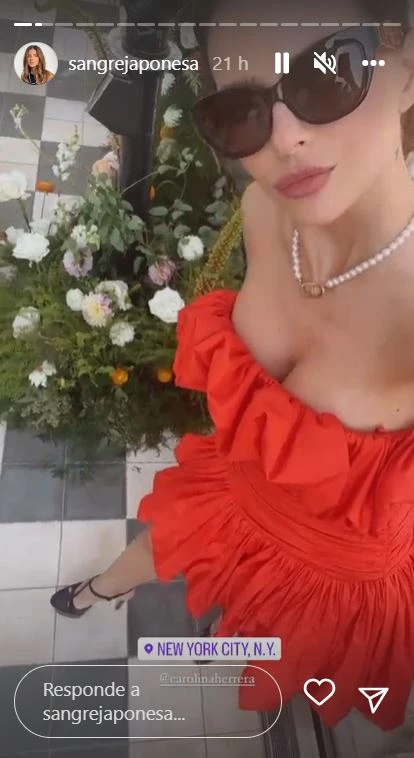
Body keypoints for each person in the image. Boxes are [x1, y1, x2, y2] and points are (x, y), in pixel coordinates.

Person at [51, 0, 414, 737]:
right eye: (240, 110)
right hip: (235, 487)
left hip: (328, 577)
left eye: (326, 74)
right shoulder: (267, 211)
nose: (284, 139)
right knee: (161, 542)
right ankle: (103, 589)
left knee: (284, 664)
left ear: (406, 65)